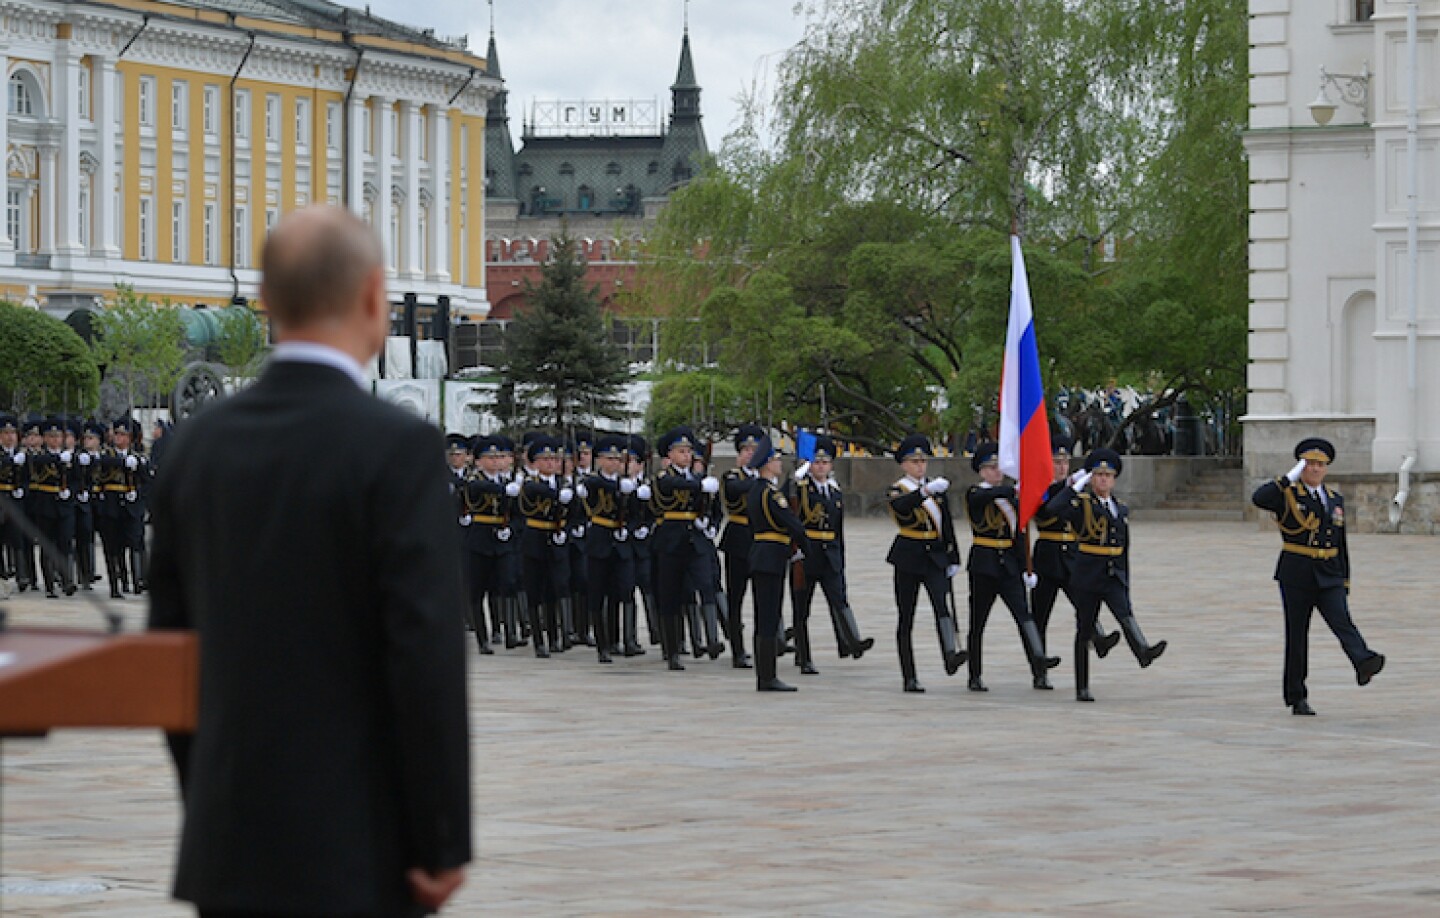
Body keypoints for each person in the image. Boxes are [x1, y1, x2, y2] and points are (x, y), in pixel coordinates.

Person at [147, 206, 471, 917]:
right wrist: (443, 837)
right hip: (359, 842)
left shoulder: (197, 447)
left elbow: (169, 655)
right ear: (371, 297)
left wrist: (212, 801)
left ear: (266, 303)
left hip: (228, 837)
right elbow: (425, 654)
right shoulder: (398, 450)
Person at [1251, 438, 1385, 715]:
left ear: (1326, 468)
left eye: (1320, 465)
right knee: (1297, 637)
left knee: (1343, 621)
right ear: (1301, 466)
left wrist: (1345, 579)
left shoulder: (1335, 499)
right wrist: (1287, 478)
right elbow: (1259, 499)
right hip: (1297, 574)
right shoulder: (1288, 495)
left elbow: (1341, 542)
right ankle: (1296, 696)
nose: (1315, 469)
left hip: (1329, 573)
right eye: (1309, 464)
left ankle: (1363, 662)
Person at [1041, 448, 1167, 702]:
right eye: (1098, 475)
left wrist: (1125, 579)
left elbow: (1124, 548)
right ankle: (1082, 686)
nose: (1103, 480)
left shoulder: (1120, 508)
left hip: (1112, 574)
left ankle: (1142, 650)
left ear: (1114, 479)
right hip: (1088, 574)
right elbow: (1054, 508)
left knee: (1125, 613)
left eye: (1107, 475)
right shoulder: (1081, 504)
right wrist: (1075, 486)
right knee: (1084, 630)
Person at [963, 442, 1058, 691]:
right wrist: (1014, 490)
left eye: (999, 468)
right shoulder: (976, 493)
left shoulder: (1010, 497)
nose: (996, 472)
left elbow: (1020, 533)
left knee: (1024, 616)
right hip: (984, 564)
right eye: (991, 468)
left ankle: (1039, 664)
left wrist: (1028, 567)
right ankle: (975, 674)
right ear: (981, 471)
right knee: (978, 622)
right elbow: (986, 497)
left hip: (1009, 566)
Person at [1030, 436, 1120, 682]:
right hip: (1047, 554)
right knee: (1040, 615)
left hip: (1071, 554)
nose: (1061, 467)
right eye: (1056, 462)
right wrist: (1069, 485)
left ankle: (1098, 637)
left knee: (1084, 601)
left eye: (1065, 462)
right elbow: (1046, 508)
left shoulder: (1076, 487)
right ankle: (1039, 670)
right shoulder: (1040, 487)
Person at [884, 434, 967, 693]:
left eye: (923, 460)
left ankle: (950, 654)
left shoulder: (935, 489)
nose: (920, 466)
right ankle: (909, 675)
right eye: (914, 461)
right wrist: (926, 492)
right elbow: (902, 507)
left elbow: (946, 524)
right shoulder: (899, 488)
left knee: (942, 607)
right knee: (906, 616)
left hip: (934, 554)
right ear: (903, 464)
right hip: (909, 554)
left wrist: (953, 557)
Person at [789, 434, 874, 672]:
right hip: (807, 553)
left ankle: (852, 641)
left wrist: (841, 559)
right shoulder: (802, 489)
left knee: (839, 598)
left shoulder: (835, 493)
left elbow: (838, 530)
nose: (821, 467)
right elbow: (792, 509)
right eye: (816, 462)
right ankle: (804, 657)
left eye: (825, 463)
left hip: (830, 554)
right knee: (801, 608)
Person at [648, 426, 718, 671]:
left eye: (689, 451)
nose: (686, 456)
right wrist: (700, 486)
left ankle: (712, 638)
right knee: (671, 596)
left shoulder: (697, 478)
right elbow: (669, 487)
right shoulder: (663, 477)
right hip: (670, 541)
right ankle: (673, 649)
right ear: (670, 455)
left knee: (706, 584)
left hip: (694, 540)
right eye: (681, 451)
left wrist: (706, 520)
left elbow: (706, 505)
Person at [745, 435, 810, 692]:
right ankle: (767, 676)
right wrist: (807, 547)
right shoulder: (770, 494)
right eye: (776, 460)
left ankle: (765, 674)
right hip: (772, 556)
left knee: (764, 615)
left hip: (762, 553)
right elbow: (791, 523)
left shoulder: (756, 491)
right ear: (766, 464)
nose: (779, 463)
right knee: (769, 616)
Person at [718, 423, 765, 669]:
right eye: (745, 449)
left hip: (760, 540)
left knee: (762, 598)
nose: (749, 453)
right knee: (736, 598)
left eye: (754, 450)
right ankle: (737, 649)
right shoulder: (733, 476)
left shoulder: (765, 479)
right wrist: (760, 479)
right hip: (738, 539)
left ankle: (765, 646)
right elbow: (735, 491)